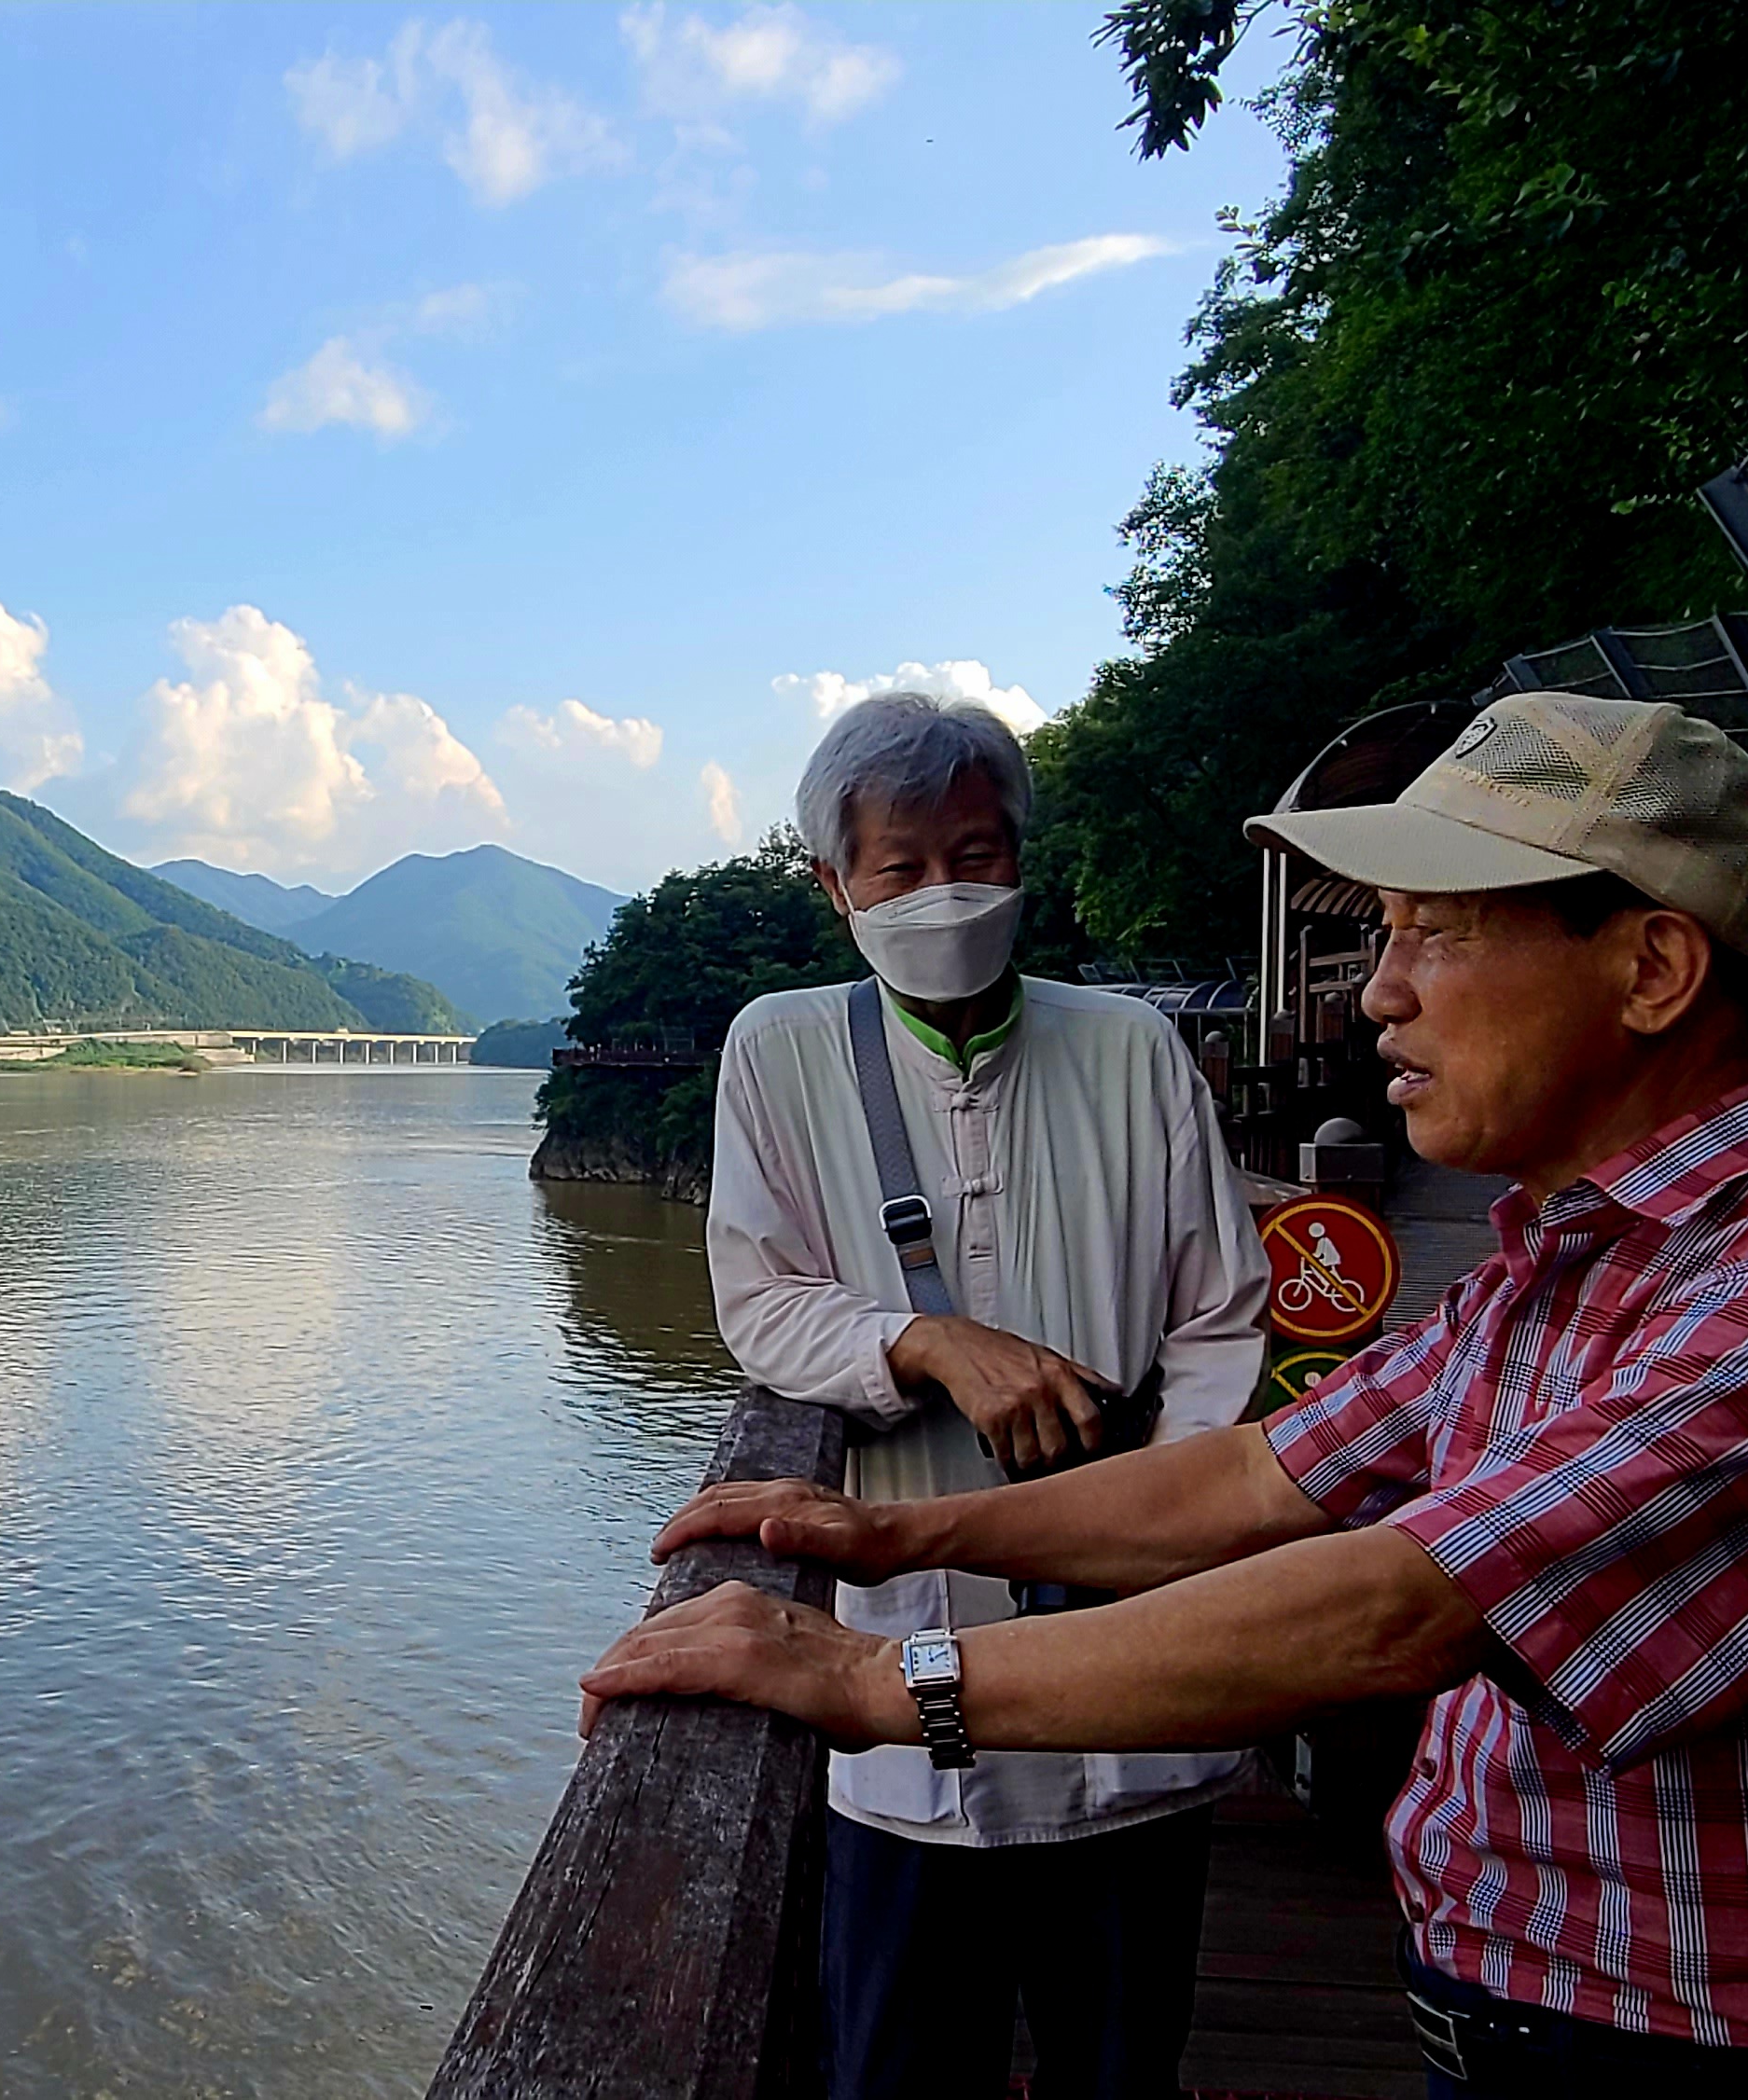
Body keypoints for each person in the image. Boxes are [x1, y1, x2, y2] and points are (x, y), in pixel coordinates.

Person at [591, 693, 1748, 2097]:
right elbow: (1255, 1478)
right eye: (1385, 934)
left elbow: (1397, 1607)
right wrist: (897, 1536)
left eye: (1438, 933)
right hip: (1541, 2024)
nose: (1380, 990)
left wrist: (863, 1679)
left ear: (1652, 970)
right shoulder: (1552, 1275)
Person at [704, 691, 1270, 2100]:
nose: (944, 892)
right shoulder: (781, 1048)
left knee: (1119, 2063)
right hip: (904, 1685)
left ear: (1022, 855)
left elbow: (1222, 1316)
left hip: (1134, 1669)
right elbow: (759, 1300)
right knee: (900, 2064)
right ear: (835, 885)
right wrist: (925, 1342)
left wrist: (1158, 1507)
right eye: (900, 866)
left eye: (976, 854)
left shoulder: (1129, 1047)